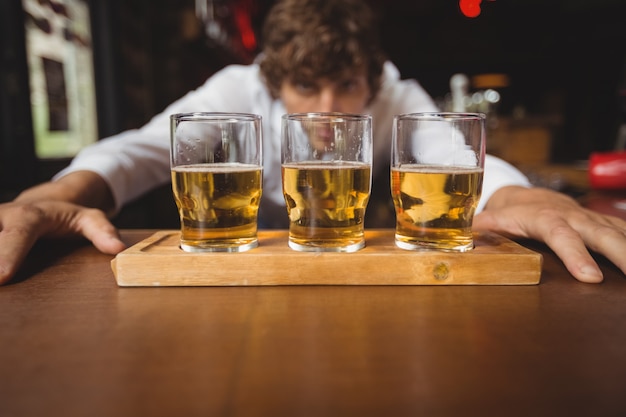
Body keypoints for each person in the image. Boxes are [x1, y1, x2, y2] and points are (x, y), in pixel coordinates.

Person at [1, 0, 625, 285]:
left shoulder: (393, 95)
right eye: (306, 86)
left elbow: (453, 155)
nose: (328, 109)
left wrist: (523, 195)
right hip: (241, 276)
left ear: (370, 81)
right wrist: (57, 194)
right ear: (275, 81)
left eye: (345, 85)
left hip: (345, 275)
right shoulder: (237, 88)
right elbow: (138, 151)